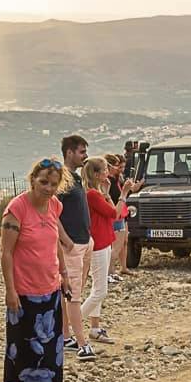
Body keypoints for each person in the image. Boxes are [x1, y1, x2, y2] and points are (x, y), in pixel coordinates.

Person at [1, 157, 72, 382]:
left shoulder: (55, 206)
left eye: (54, 184)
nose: (48, 188)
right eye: (43, 182)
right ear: (32, 180)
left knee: (51, 346)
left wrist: (63, 273)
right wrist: (10, 290)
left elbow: (55, 243)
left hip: (50, 287)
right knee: (25, 345)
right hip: (24, 290)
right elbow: (6, 253)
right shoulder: (16, 209)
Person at [56, 134, 95, 356]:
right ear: (69, 152)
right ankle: (83, 344)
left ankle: (66, 337)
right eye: (81, 152)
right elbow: (53, 213)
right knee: (73, 296)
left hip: (83, 242)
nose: (85, 156)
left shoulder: (76, 178)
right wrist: (66, 240)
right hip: (72, 245)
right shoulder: (63, 179)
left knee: (68, 295)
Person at [82, 157, 117, 342]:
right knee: (100, 291)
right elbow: (114, 213)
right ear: (96, 174)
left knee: (97, 288)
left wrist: (107, 192)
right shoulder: (92, 195)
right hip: (99, 243)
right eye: (104, 170)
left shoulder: (95, 193)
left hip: (103, 242)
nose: (107, 172)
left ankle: (95, 328)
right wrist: (124, 194)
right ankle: (73, 323)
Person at [104, 152, 134, 283]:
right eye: (117, 165)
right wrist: (125, 192)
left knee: (115, 247)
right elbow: (116, 200)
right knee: (116, 247)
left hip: (117, 215)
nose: (119, 168)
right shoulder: (109, 182)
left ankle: (111, 272)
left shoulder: (111, 180)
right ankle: (109, 272)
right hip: (117, 216)